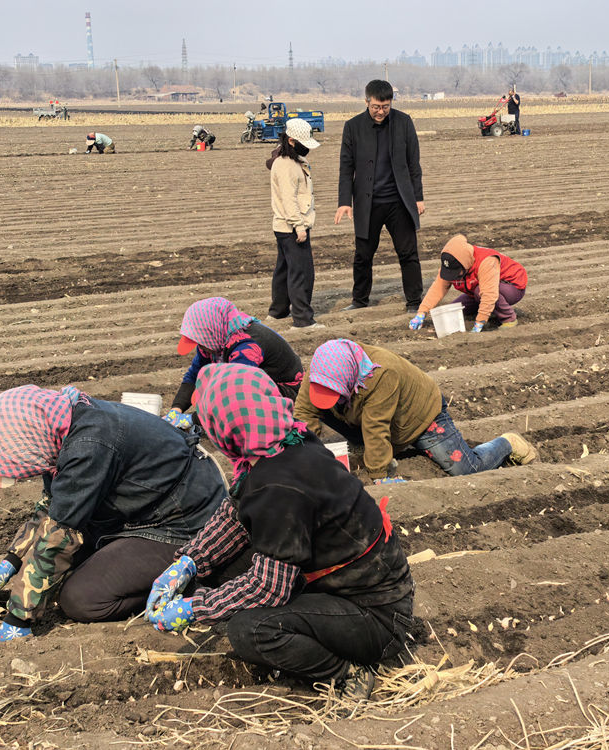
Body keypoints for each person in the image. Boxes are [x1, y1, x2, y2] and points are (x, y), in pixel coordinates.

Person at [145, 364, 414, 700]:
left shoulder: (278, 488)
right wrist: (189, 561)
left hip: (375, 616)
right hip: (351, 584)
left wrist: (195, 608)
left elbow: (268, 589)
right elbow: (237, 514)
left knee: (250, 631)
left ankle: (346, 671)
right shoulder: (285, 439)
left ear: (225, 430)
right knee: (219, 571)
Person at [0, 384, 230, 642]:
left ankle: (191, 584)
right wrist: (7, 565)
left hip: (185, 523)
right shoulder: (62, 428)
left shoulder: (88, 445)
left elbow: (58, 536)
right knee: (58, 568)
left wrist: (19, 619)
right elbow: (52, 508)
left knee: (79, 598)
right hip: (146, 507)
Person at [294, 339, 538, 483]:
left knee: (465, 469)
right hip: (359, 411)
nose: (330, 398)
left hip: (418, 416)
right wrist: (301, 458)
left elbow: (376, 427)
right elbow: (303, 413)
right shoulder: (321, 370)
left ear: (349, 378)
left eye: (336, 392)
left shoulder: (382, 375)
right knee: (325, 409)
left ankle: (508, 443)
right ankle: (368, 445)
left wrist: (379, 476)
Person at [335, 79, 425, 314]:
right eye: (376, 106)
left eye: (386, 107)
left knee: (408, 254)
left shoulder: (404, 122)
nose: (381, 111)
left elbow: (413, 164)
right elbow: (346, 167)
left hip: (399, 202)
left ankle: (414, 301)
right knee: (363, 255)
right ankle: (359, 300)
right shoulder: (353, 127)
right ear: (366, 102)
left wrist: (418, 197)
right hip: (368, 203)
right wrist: (344, 202)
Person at [165, 297, 304, 429]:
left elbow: (233, 394)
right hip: (256, 383)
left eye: (200, 342)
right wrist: (176, 409)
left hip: (286, 392)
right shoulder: (213, 339)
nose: (200, 347)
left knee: (234, 412)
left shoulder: (246, 347)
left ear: (210, 332)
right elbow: (194, 374)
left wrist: (193, 419)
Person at [267, 118, 323, 329]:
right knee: (301, 272)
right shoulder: (286, 166)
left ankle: (278, 311)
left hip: (284, 226)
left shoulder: (291, 160)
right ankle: (302, 319)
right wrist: (299, 226)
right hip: (291, 227)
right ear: (291, 141)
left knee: (284, 270)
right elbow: (288, 199)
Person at [409, 234, 527, 333]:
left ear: (465, 264)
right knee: (453, 310)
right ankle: (489, 310)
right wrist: (421, 313)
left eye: (456, 272)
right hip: (479, 289)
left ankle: (508, 319)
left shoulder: (486, 261)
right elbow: (437, 289)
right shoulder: (451, 263)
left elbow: (489, 294)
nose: (452, 275)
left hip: (512, 286)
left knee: (480, 293)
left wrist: (479, 323)